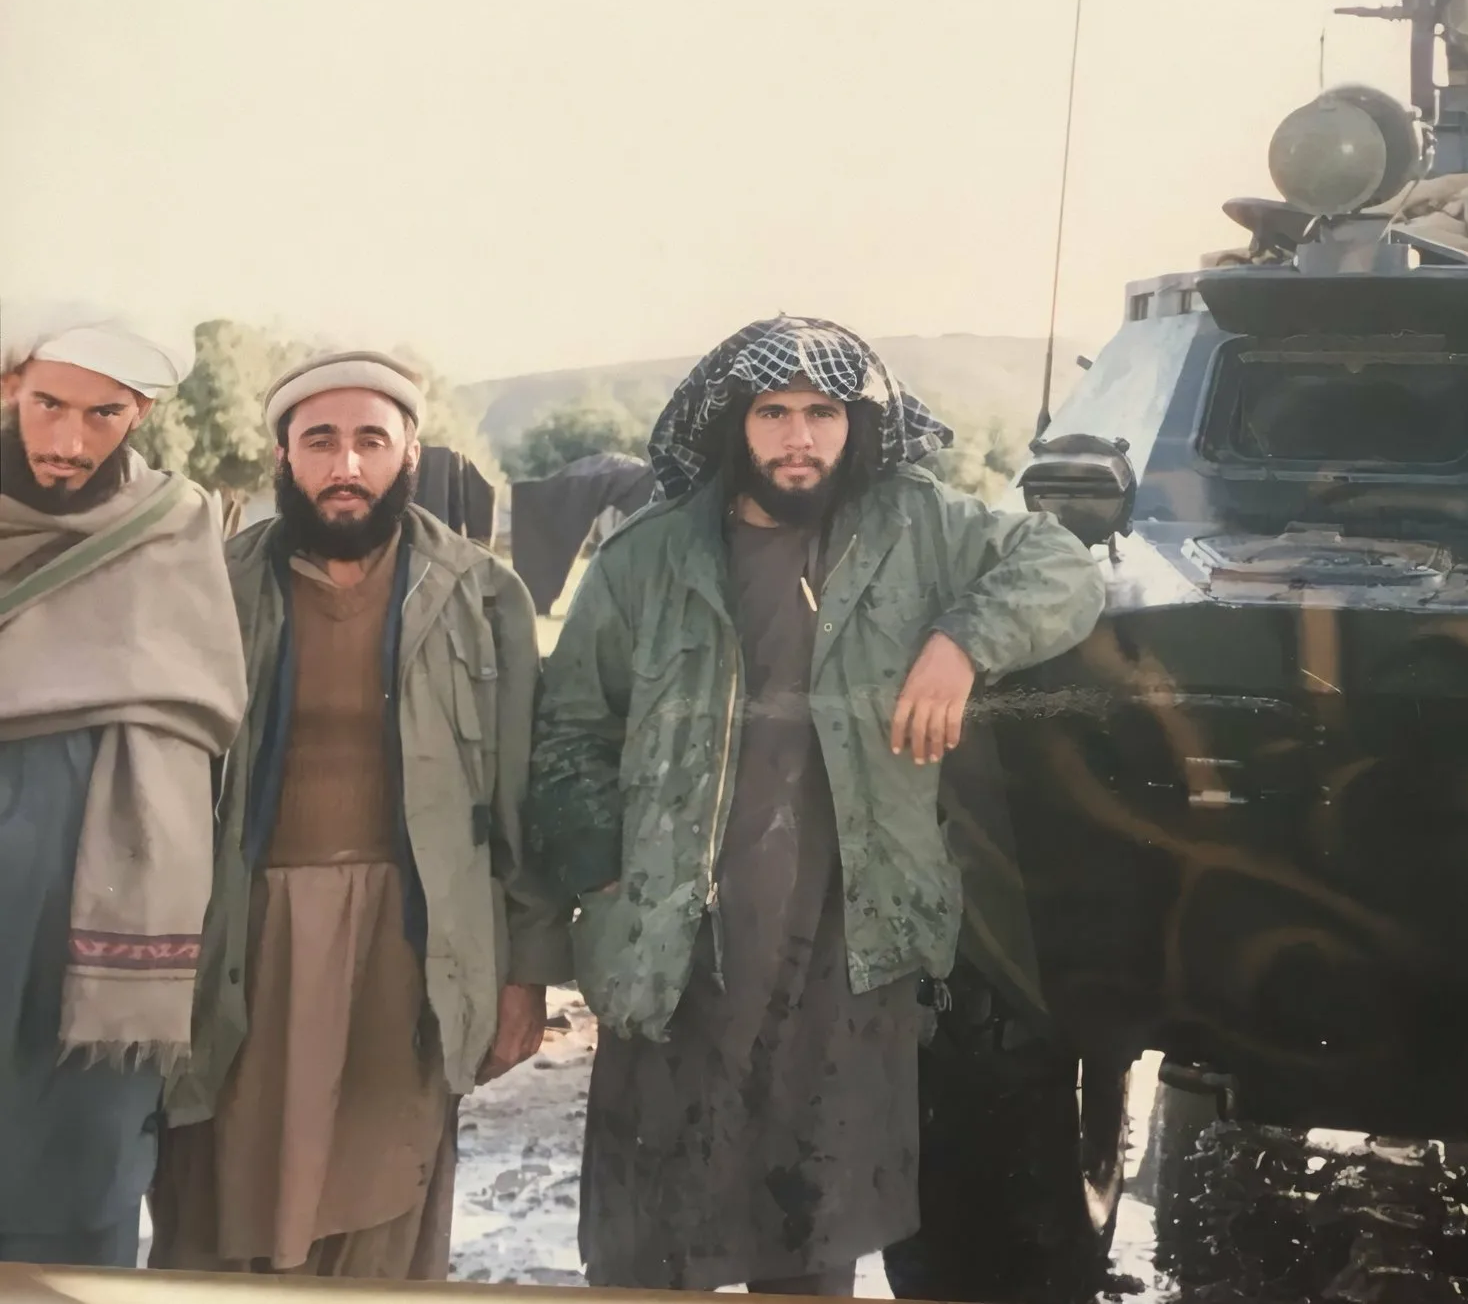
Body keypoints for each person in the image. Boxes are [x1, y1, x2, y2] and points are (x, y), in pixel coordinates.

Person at [526, 315, 1106, 1295]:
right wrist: (611, 876)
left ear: (856, 424)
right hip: (677, 952)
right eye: (774, 412)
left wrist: (962, 641)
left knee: (813, 1245)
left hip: (847, 950)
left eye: (822, 413)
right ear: (734, 424)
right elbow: (568, 732)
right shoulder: (645, 560)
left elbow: (1066, 569)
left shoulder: (919, 529)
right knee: (647, 1252)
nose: (799, 437)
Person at [149, 349, 572, 1280]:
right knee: (217, 1190)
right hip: (244, 938)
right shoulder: (213, 585)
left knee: (384, 1201)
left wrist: (527, 973)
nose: (346, 465)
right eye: (321, 441)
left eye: (370, 441)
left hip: (409, 943)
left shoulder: (479, 595)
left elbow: (522, 802)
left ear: (409, 454)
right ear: (282, 456)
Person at [0, 304, 246, 1266]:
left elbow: (207, 699)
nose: (69, 441)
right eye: (49, 404)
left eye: (103, 413)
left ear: (141, 411)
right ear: (11, 388)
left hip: (112, 854)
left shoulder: (174, 522)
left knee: (80, 1145)